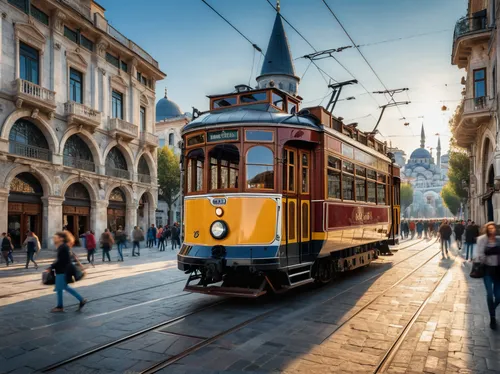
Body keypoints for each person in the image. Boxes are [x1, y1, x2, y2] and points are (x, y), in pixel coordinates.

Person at [49, 231, 87, 313]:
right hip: (62, 270)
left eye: (56, 237)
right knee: (61, 288)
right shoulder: (63, 247)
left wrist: (52, 266)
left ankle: (61, 306)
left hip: (62, 271)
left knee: (62, 288)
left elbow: (62, 260)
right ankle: (62, 305)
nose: (54, 238)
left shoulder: (63, 247)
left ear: (61, 238)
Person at [475, 222, 500, 329]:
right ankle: (492, 318)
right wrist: (487, 255)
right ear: (487, 229)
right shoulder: (481, 240)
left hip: (498, 271)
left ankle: (492, 309)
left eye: (493, 228)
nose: (491, 230)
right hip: (487, 271)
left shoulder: (499, 240)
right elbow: (480, 255)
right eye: (489, 228)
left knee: (498, 296)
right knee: (490, 294)